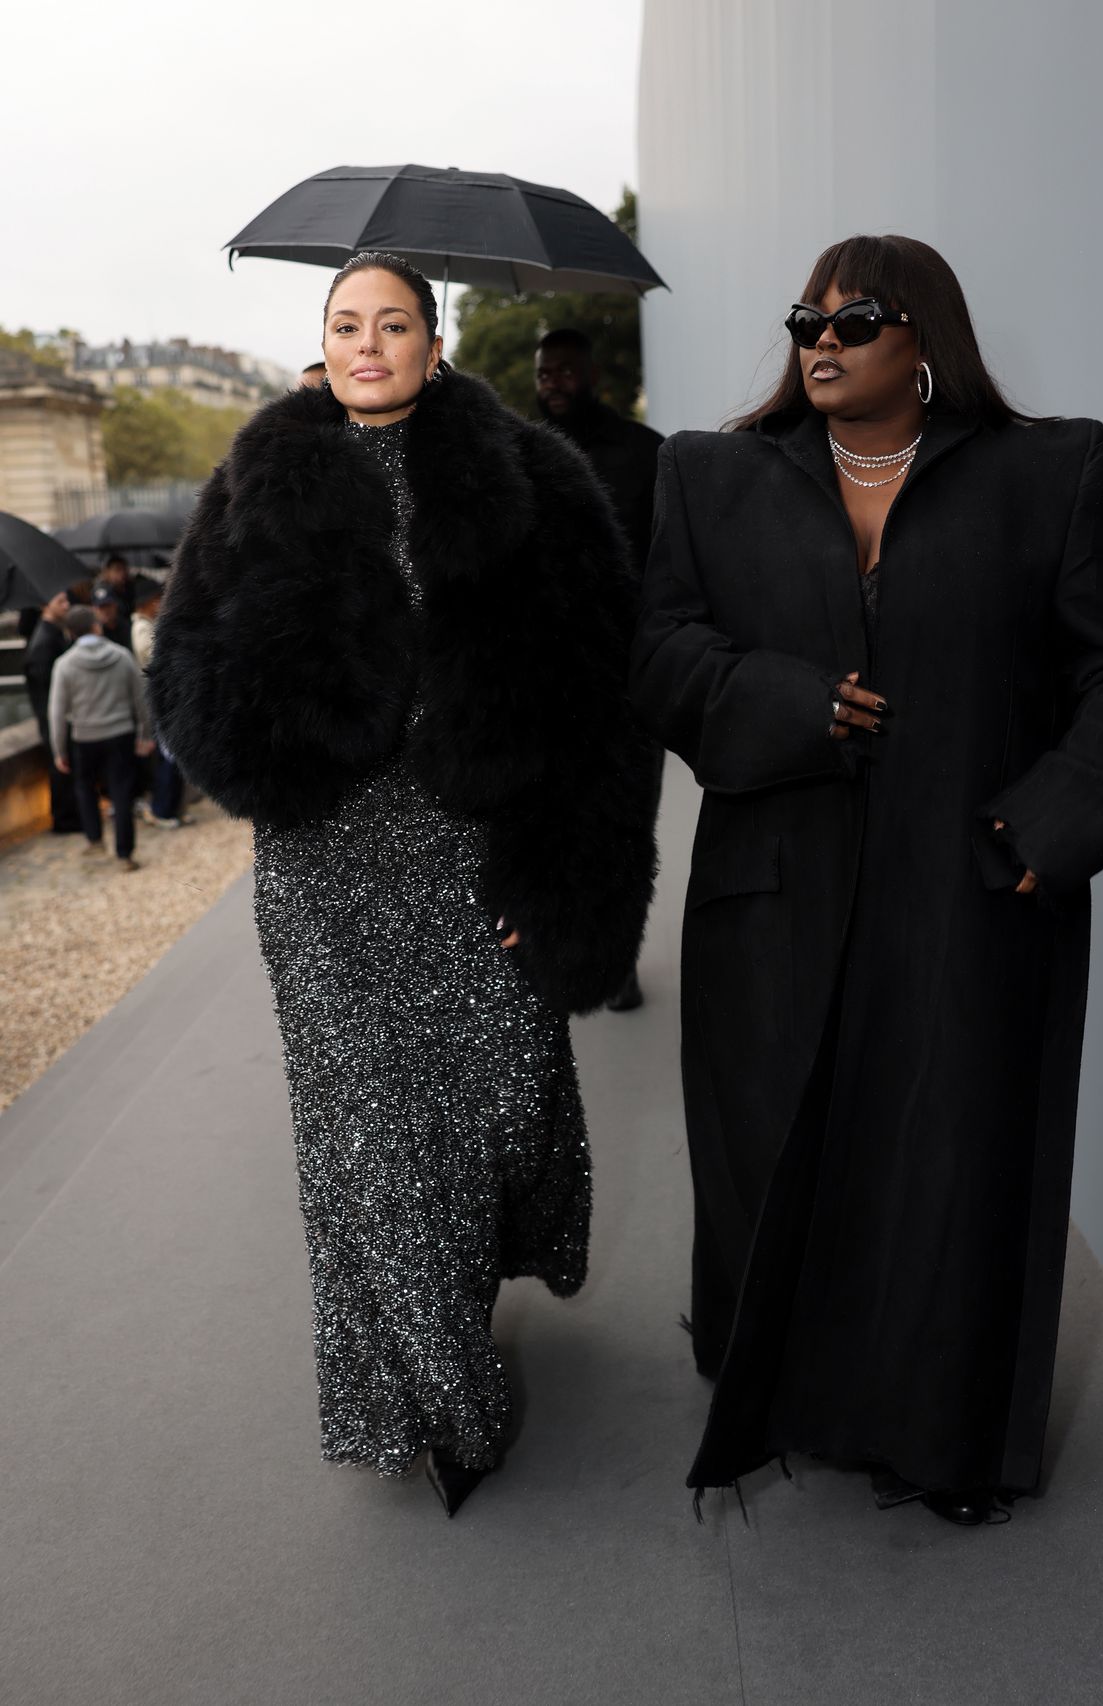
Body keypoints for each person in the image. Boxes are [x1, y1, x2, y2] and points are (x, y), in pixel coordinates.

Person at [630, 234, 1103, 1527]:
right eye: (805, 321)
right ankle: (798, 1406)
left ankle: (946, 1443)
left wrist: (1042, 832)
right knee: (782, 1164)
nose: (820, 340)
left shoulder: (1046, 473)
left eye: (856, 318)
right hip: (772, 897)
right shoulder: (710, 476)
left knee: (950, 1172)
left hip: (971, 891)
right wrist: (785, 698)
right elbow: (656, 653)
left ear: (923, 338)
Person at [149, 251, 656, 1517]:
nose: (367, 343)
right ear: (319, 344)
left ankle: (472, 1293)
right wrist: (301, 727)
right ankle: (441, 1403)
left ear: (437, 341)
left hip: (475, 854)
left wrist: (565, 872)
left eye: (392, 323)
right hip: (325, 871)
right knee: (369, 1152)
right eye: (344, 323)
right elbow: (187, 669)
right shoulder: (258, 481)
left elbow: (603, 689)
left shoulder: (536, 480)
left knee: (491, 1112)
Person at [536, 327, 665, 1011]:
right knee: (551, 823)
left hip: (627, 675)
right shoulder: (515, 452)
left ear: (591, 374)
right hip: (544, 675)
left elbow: (673, 564)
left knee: (624, 824)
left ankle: (617, 959)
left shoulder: (646, 455)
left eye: (563, 370)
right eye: (542, 373)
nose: (551, 382)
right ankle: (561, 954)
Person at [49, 604, 154, 872]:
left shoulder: (64, 665)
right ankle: (124, 854)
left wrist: (59, 750)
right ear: (96, 626)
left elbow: (57, 712)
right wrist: (145, 733)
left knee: (85, 787)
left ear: (71, 633)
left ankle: (95, 838)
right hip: (120, 733)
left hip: (84, 736)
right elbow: (140, 698)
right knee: (121, 792)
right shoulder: (121, 656)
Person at [22, 589, 81, 833]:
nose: (67, 605)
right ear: (46, 606)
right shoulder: (44, 642)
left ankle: (69, 815)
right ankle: (64, 819)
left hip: (59, 713)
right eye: (61, 601)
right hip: (51, 715)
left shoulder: (53, 634)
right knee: (61, 766)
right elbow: (47, 688)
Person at [131, 576, 186, 827]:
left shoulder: (147, 625)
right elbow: (153, 657)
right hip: (159, 700)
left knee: (173, 758)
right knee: (169, 757)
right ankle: (162, 809)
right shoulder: (142, 629)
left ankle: (171, 808)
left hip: (162, 697)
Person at [90, 580, 132, 652]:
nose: (106, 611)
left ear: (115, 605)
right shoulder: (93, 634)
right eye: (101, 607)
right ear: (94, 610)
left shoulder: (128, 627)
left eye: (108, 605)